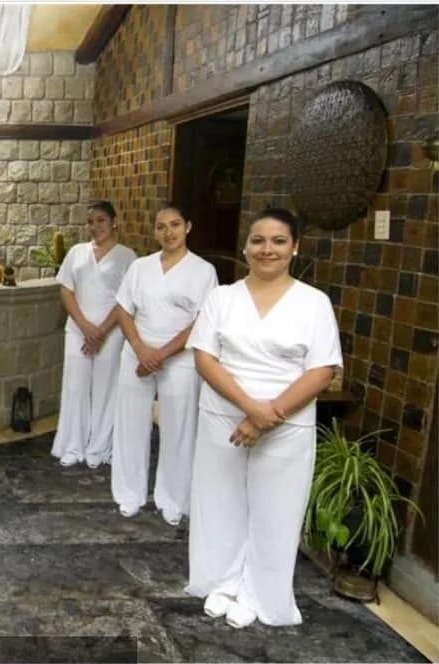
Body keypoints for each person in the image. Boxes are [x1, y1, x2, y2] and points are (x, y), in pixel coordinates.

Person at [185, 208, 341, 629]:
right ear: (246, 247)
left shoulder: (314, 303)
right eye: (258, 240)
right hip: (223, 416)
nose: (266, 249)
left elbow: (323, 370)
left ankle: (260, 592)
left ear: (295, 248)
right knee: (220, 502)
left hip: (286, 423)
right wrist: (250, 408)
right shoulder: (222, 298)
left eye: (278, 241)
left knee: (276, 510)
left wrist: (266, 416)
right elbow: (205, 358)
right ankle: (222, 580)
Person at [111, 203, 218, 525]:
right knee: (130, 423)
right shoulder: (140, 267)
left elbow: (201, 322)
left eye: (175, 224)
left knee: (178, 429)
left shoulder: (203, 271)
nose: (168, 232)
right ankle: (129, 493)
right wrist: (141, 349)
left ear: (188, 227)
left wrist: (160, 355)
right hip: (136, 354)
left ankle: (173, 498)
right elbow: (123, 310)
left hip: (180, 359)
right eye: (161, 226)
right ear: (155, 231)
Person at [51, 201, 136, 468]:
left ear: (114, 221)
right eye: (90, 221)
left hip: (111, 332)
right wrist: (86, 327)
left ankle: (98, 447)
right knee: (75, 386)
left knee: (105, 388)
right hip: (78, 330)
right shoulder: (76, 252)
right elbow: (66, 291)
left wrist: (101, 331)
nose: (95, 226)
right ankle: (73, 445)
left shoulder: (127, 257)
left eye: (101, 220)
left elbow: (126, 300)